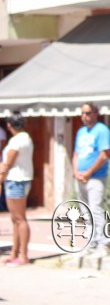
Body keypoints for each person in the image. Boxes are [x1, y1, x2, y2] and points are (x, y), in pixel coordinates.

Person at [72, 102, 110, 257]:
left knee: (96, 210)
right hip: (81, 177)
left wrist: (89, 172)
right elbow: (76, 153)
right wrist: (76, 171)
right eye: (82, 113)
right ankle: (91, 242)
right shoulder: (81, 132)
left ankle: (103, 244)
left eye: (88, 113)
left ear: (96, 113)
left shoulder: (102, 130)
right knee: (85, 211)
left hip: (96, 177)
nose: (85, 116)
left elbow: (104, 154)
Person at [0, 113, 34, 266]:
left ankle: (23, 255)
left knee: (19, 219)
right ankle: (15, 252)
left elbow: (8, 163)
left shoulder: (16, 141)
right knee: (16, 219)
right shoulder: (26, 138)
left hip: (16, 180)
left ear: (9, 125)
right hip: (22, 179)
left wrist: (0, 178)